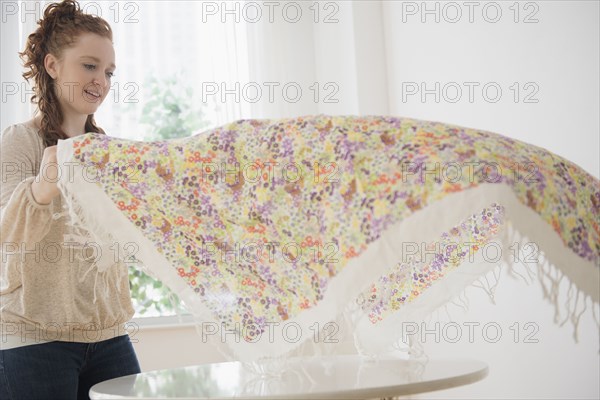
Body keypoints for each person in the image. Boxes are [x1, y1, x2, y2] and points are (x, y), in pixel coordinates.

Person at [0, 1, 141, 399]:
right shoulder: (20, 141)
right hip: (34, 340)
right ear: (52, 66)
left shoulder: (106, 153)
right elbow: (5, 235)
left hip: (109, 335)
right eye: (90, 65)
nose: (102, 80)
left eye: (109, 71)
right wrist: (42, 187)